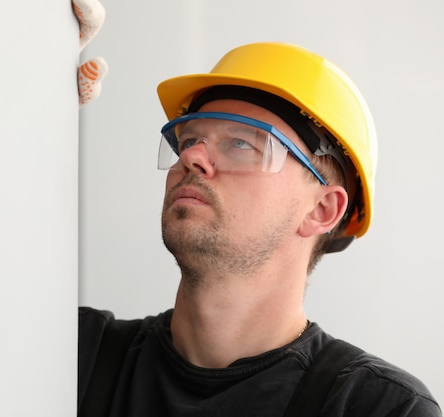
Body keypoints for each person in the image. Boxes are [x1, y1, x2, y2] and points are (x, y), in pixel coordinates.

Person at [78, 42, 441, 417]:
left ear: (321, 209)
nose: (191, 157)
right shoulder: (74, 354)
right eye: (188, 140)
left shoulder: (376, 408)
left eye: (241, 142)